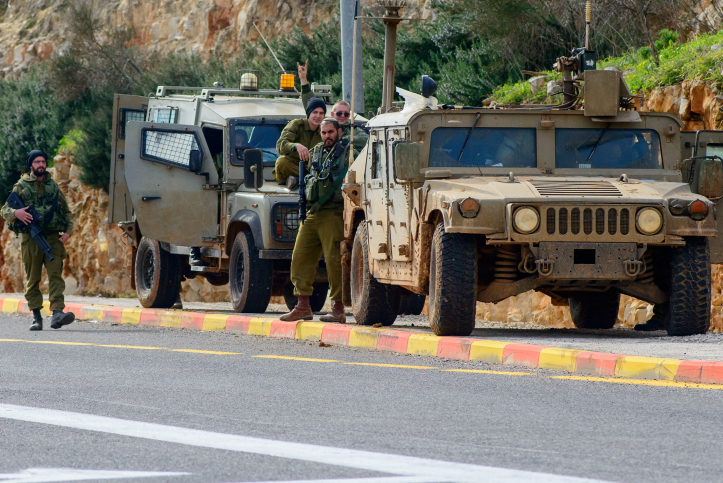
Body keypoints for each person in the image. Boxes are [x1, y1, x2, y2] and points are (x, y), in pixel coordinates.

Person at [280, 119, 354, 323]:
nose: (327, 136)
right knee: (300, 257)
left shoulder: (348, 151)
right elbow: (284, 155)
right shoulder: (317, 151)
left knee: (334, 261)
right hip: (312, 212)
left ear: (339, 131)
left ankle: (338, 308)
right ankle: (303, 305)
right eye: (323, 133)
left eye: (331, 132)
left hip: (333, 211)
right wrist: (295, 145)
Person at [1, 150, 75, 331]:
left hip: (53, 238)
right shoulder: (21, 186)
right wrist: (16, 213)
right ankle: (36, 316)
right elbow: (4, 210)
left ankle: (57, 313)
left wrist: (68, 232)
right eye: (37, 162)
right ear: (31, 165)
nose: (41, 165)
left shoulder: (54, 186)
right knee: (32, 279)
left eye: (43, 161)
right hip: (31, 239)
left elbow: (67, 213)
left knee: (56, 276)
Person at [298, 59, 368, 152]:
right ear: (332, 114)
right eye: (339, 113)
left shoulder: (353, 130)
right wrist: (303, 79)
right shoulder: (323, 125)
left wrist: (340, 139)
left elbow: (366, 139)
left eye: (346, 114)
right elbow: (310, 103)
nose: (342, 116)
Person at [273, 97, 325, 186]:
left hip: (315, 168)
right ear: (309, 113)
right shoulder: (297, 125)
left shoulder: (324, 129)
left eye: (321, 113)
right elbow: (280, 145)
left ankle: (301, 180)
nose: (318, 116)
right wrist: (295, 146)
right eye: (315, 112)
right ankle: (307, 180)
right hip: (294, 165)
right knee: (281, 162)